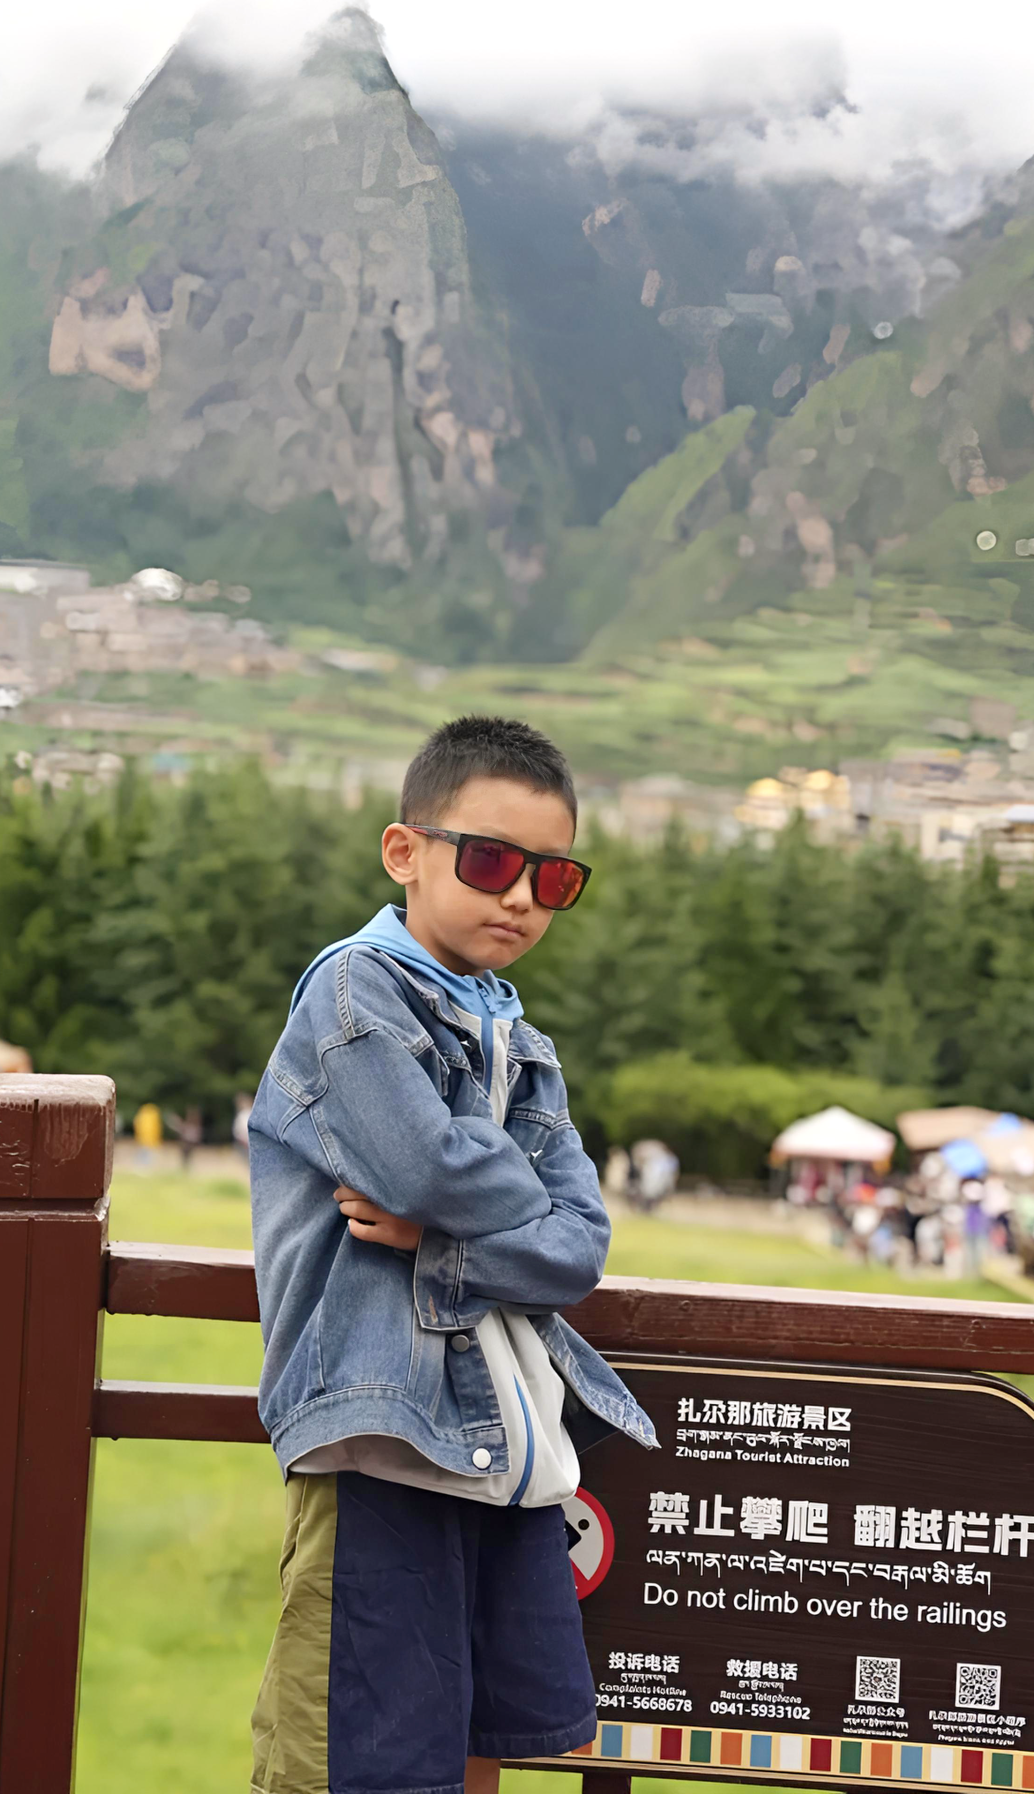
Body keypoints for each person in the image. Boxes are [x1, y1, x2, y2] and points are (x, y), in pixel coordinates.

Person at [247, 715, 655, 1794]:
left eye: (551, 879)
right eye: (487, 861)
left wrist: (441, 1244)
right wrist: (497, 1207)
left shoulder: (518, 1037)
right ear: (404, 851)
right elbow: (422, 1165)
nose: (518, 897)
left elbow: (578, 1252)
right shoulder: (353, 992)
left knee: (479, 1742)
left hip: (508, 1456)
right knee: (354, 1757)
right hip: (380, 1435)